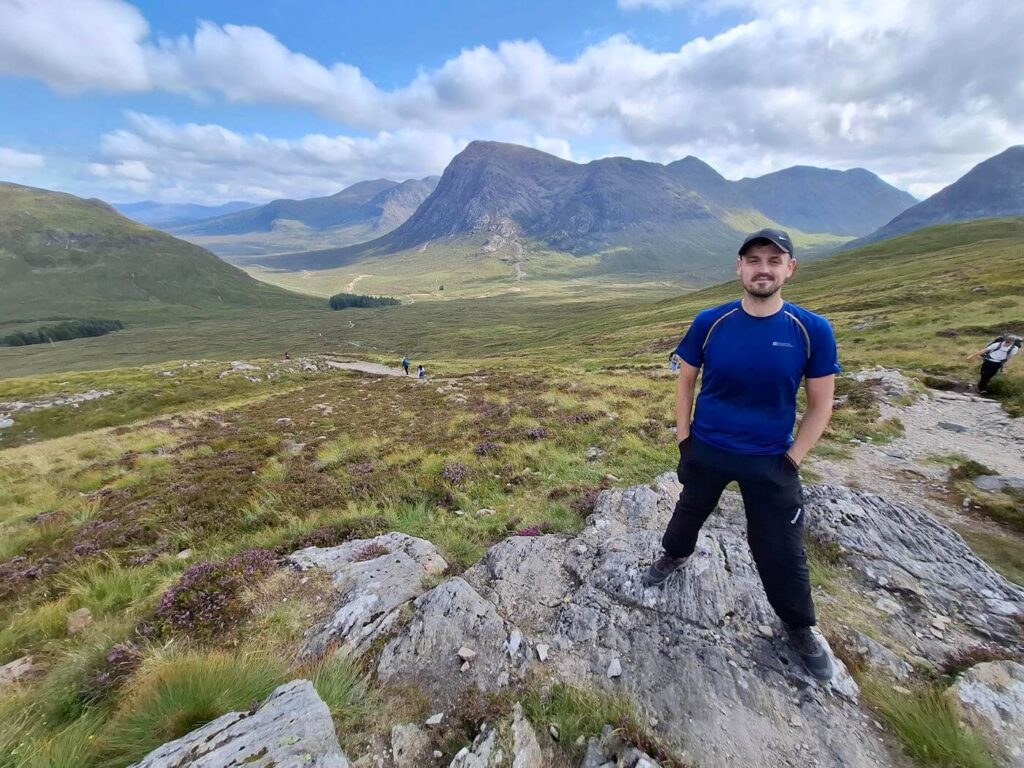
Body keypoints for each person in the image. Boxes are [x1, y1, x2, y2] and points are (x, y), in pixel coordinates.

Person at [642, 228, 841, 681]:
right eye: (754, 259)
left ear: (789, 269)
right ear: (740, 267)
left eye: (774, 260)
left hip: (771, 460)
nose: (763, 268)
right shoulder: (710, 321)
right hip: (707, 448)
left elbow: (821, 405)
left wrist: (793, 459)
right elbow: (686, 381)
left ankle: (798, 624)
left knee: (780, 547)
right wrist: (684, 439)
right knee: (689, 511)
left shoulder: (812, 330)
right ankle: (673, 555)